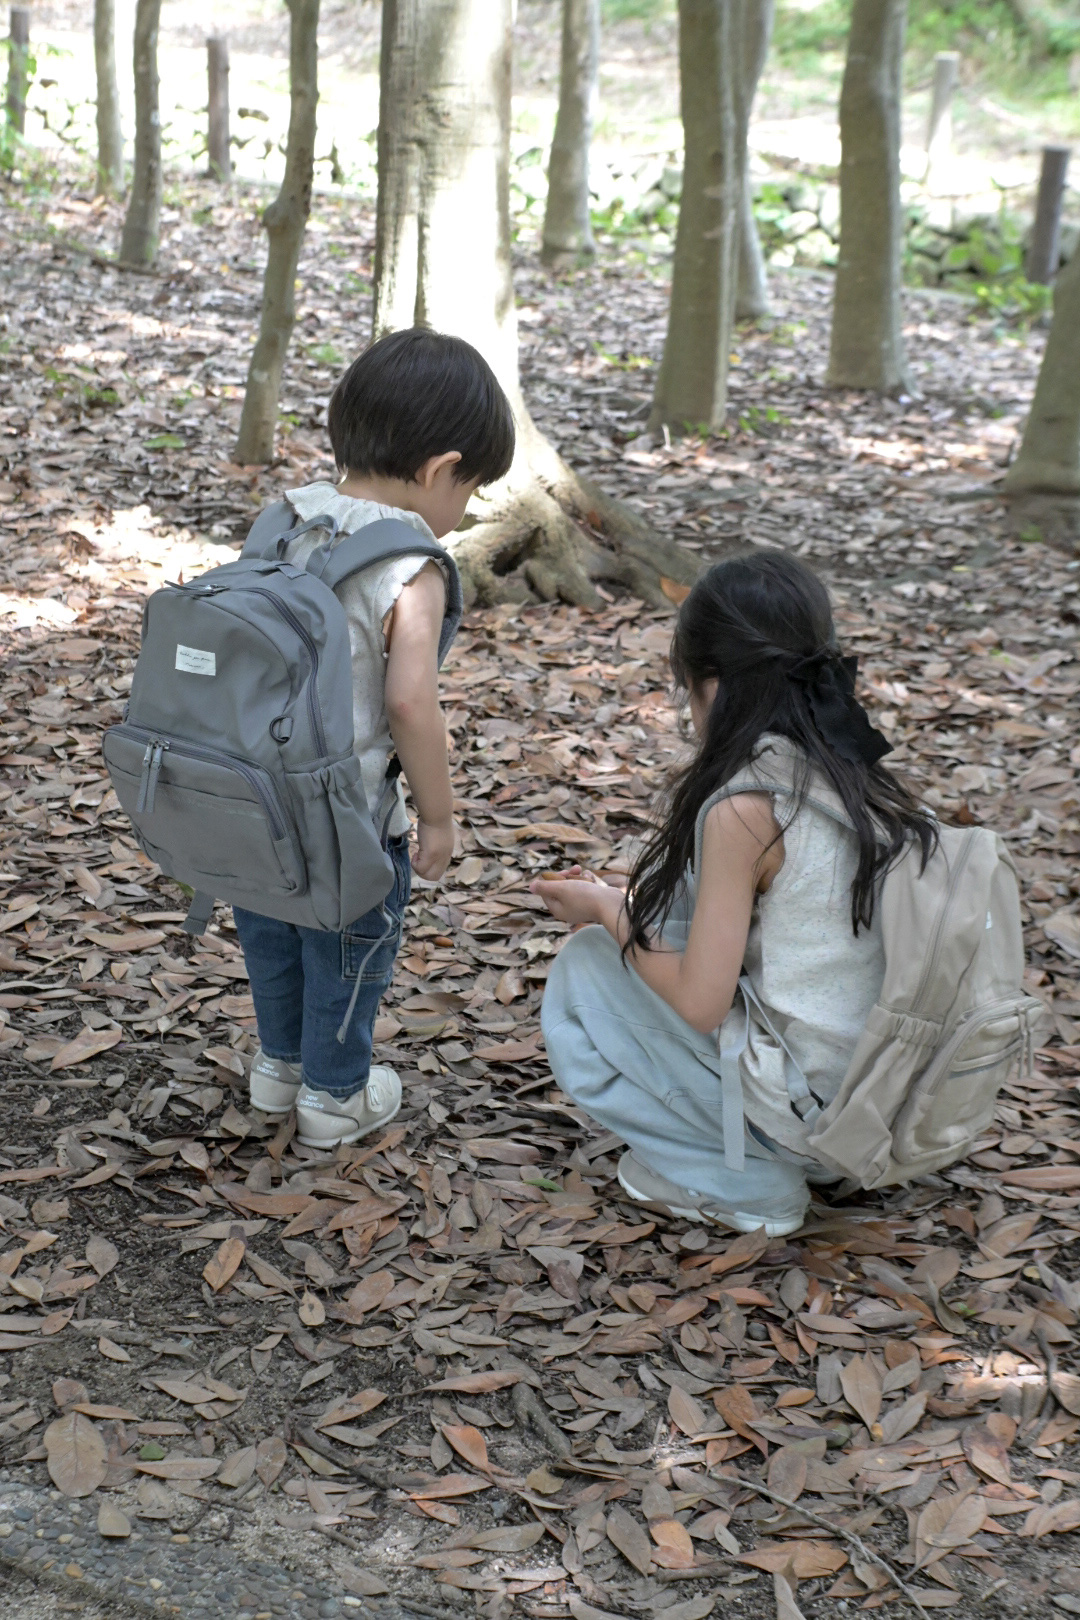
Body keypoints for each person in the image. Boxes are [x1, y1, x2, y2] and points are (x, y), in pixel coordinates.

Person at [532, 552, 938, 1236]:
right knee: (645, 932)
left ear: (712, 688)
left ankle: (746, 1183)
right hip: (883, 1105)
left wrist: (608, 910)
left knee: (587, 966)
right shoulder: (852, 766)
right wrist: (628, 895)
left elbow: (699, 1001)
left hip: (810, 1113)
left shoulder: (747, 806)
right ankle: (808, 1164)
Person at [238, 328, 514, 1149]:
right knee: (350, 952)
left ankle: (277, 1067)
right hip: (348, 816)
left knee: (274, 938)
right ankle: (334, 1096)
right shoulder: (411, 562)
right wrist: (438, 817)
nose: (461, 510)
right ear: (439, 470)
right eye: (469, 489)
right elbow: (409, 704)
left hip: (255, 801)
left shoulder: (282, 519)